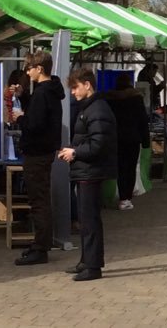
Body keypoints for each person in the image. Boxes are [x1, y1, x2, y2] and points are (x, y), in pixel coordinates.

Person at [56, 68, 116, 281]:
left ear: (87, 85)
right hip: (86, 170)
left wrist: (75, 151)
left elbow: (98, 144)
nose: (73, 92)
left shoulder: (97, 110)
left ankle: (92, 266)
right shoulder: (90, 108)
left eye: (75, 87)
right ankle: (86, 260)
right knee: (86, 219)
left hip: (91, 171)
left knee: (89, 220)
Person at [12, 50, 65, 266]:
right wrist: (24, 95)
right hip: (43, 152)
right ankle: (39, 244)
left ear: (39, 69)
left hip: (37, 153)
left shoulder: (43, 92)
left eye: (29, 68)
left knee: (39, 201)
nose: (27, 71)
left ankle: (41, 248)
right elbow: (39, 113)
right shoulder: (48, 90)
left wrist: (20, 118)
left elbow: (35, 124)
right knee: (39, 199)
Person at [105, 73, 148, 211]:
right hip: (133, 138)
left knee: (120, 167)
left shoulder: (110, 99)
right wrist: (146, 140)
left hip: (116, 138)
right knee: (130, 168)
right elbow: (143, 120)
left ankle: (122, 195)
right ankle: (126, 197)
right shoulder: (136, 98)